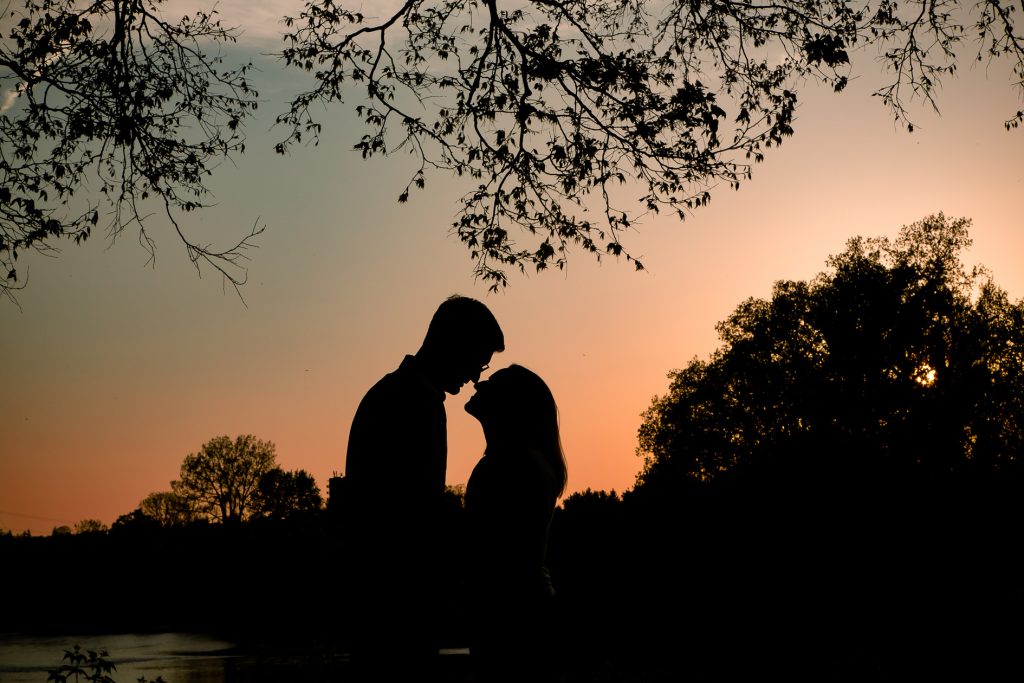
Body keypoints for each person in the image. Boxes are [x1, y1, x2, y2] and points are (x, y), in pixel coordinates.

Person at [342, 295, 504, 679]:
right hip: (398, 603)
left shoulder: (392, 393)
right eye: (478, 361)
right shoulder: (416, 403)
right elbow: (416, 514)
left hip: (379, 599)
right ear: (455, 343)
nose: (476, 377)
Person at [463, 364, 569, 683]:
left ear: (511, 405)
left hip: (513, 620)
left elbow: (499, 556)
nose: (479, 385)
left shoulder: (511, 465)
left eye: (492, 384)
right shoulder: (518, 462)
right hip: (519, 614)